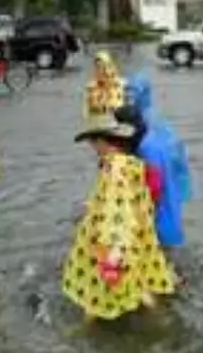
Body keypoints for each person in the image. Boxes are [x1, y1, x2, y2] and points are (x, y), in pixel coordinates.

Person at [61, 54, 178, 320]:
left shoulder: (115, 170)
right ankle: (159, 318)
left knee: (95, 293)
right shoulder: (131, 164)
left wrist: (112, 254)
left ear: (106, 141)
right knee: (139, 281)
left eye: (94, 141)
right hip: (136, 236)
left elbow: (118, 212)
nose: (93, 148)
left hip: (111, 244)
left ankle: (85, 329)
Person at [127, 72, 192, 250]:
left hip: (160, 182)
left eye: (133, 92)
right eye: (128, 92)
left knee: (162, 224)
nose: (129, 97)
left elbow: (166, 158)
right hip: (165, 181)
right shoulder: (146, 118)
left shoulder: (146, 123)